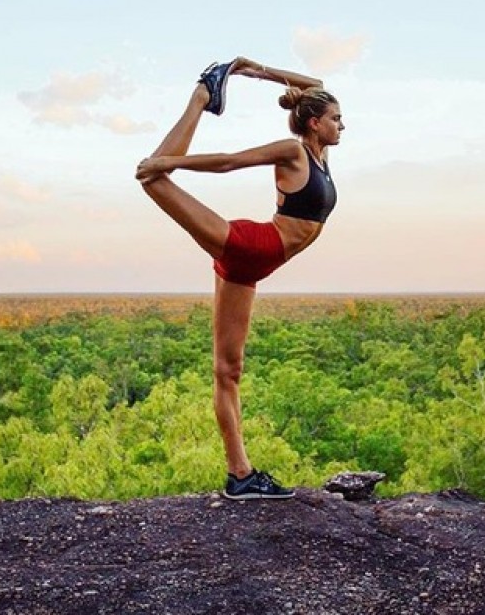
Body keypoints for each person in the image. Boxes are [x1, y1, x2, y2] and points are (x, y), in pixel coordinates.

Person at [136, 56, 344, 500]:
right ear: (313, 122)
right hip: (251, 247)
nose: (342, 126)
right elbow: (231, 161)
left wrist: (250, 69)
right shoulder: (293, 152)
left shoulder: (319, 154)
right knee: (154, 176)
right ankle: (198, 100)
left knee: (228, 371)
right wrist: (173, 161)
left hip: (251, 268)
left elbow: (317, 83)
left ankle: (240, 477)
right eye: (336, 119)